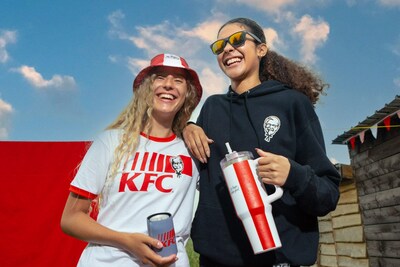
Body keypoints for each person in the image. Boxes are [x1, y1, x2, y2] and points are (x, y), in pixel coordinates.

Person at [183, 18, 341, 266]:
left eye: (237, 40)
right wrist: (186, 127)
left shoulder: (292, 104)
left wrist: (294, 175)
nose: (227, 49)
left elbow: (328, 194)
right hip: (215, 259)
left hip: (279, 258)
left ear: (261, 49)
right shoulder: (212, 108)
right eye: (219, 46)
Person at [61, 53, 203, 267]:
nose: (169, 85)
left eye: (178, 80)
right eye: (160, 77)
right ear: (146, 89)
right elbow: (70, 219)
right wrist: (126, 241)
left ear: (187, 94)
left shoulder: (194, 149)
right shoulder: (110, 141)